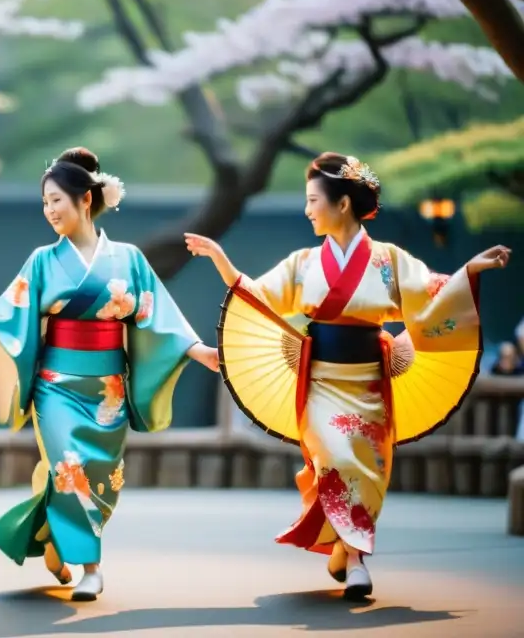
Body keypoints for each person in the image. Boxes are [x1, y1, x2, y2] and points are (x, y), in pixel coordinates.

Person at [185, 151, 511, 600]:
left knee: (368, 471)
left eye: (313, 199)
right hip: (320, 385)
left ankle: (344, 548)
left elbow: (433, 296)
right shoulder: (303, 263)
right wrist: (221, 259)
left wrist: (470, 270)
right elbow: (259, 298)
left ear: (342, 203)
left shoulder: (389, 260)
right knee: (336, 456)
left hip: (370, 385)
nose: (307, 209)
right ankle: (357, 559)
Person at [0, 147, 220, 602]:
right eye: (45, 202)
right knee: (70, 465)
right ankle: (90, 566)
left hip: (107, 388)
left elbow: (159, 319)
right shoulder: (41, 261)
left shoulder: (128, 259)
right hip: (56, 387)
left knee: (99, 474)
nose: (49, 210)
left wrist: (198, 350)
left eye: (57, 200)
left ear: (85, 201)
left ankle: (52, 534)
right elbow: (10, 318)